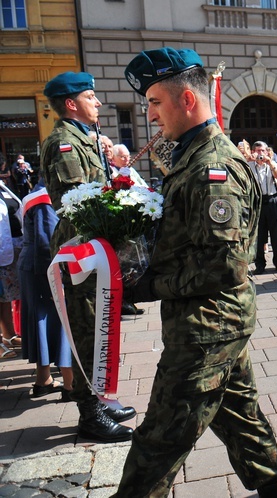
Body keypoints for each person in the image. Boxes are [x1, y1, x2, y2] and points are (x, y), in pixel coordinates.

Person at [116, 47, 277, 498]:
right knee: (238, 411)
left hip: (208, 323)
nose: (151, 114)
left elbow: (223, 265)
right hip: (208, 318)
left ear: (187, 101)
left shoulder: (214, 168)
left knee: (161, 436)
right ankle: (273, 488)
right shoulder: (190, 156)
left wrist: (147, 283)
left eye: (155, 102)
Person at [40, 71, 135, 442]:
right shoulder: (64, 143)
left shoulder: (87, 139)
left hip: (95, 247)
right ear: (70, 104)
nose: (97, 102)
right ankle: (90, 414)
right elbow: (75, 202)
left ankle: (102, 398)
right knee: (86, 334)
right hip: (79, 251)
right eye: (90, 96)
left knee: (101, 328)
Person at [19, 180, 73, 399]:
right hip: (44, 268)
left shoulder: (39, 194)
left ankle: (43, 379)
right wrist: (52, 280)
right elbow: (47, 242)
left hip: (36, 268)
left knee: (42, 324)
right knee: (60, 322)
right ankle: (71, 384)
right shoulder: (45, 199)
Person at [248, 140, 277, 274]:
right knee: (259, 236)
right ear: (254, 152)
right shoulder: (248, 165)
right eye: (258, 151)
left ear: (267, 151)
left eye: (263, 151)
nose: (260, 154)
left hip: (272, 201)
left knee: (276, 234)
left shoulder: (273, 164)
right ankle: (260, 264)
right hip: (257, 202)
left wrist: (269, 162)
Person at [0, 178, 23, 360]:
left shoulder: (3, 186)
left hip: (11, 249)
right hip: (3, 250)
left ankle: (9, 336)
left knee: (5, 297)